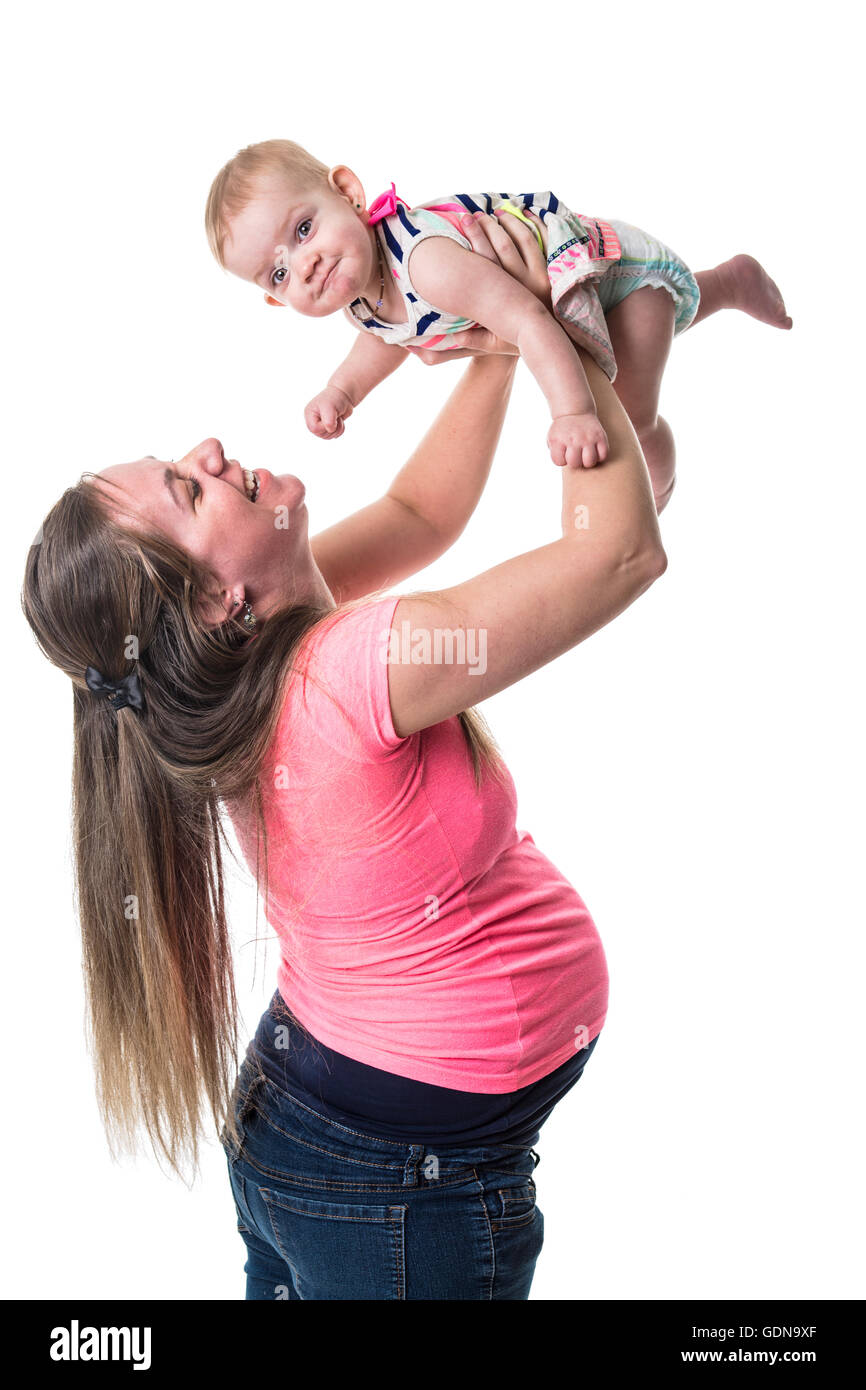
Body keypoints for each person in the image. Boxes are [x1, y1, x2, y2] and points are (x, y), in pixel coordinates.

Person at [21, 210, 667, 1300]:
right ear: (219, 599)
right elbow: (617, 553)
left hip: (314, 1135)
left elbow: (421, 509)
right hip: (388, 1190)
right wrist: (555, 327)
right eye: (187, 489)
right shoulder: (346, 670)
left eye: (178, 460)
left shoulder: (240, 675)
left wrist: (499, 343)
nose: (209, 452)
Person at [205, 138, 792, 500]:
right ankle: (731, 280)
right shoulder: (360, 296)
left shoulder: (427, 262)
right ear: (275, 301)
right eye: (277, 275)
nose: (302, 267)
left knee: (630, 418)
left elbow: (531, 321)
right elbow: (385, 336)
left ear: (348, 191)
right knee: (662, 332)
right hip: (577, 297)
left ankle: (657, 491)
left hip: (619, 279)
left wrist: (571, 412)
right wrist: (342, 391)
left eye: (303, 230)